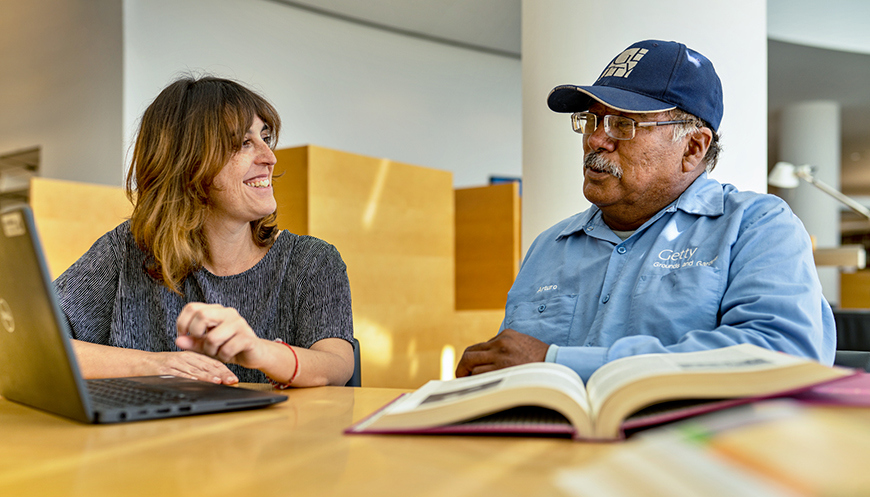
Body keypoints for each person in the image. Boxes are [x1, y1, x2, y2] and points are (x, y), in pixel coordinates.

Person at [456, 40, 836, 381]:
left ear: (692, 148)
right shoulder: (549, 247)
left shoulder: (755, 226)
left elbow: (782, 358)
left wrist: (558, 362)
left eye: (623, 123)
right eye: (592, 120)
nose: (596, 140)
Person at [54, 76, 355, 387]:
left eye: (265, 138)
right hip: (152, 437)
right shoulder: (127, 250)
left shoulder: (311, 260)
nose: (270, 157)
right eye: (244, 143)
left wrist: (259, 351)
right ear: (188, 164)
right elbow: (28, 339)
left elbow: (337, 365)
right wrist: (155, 364)